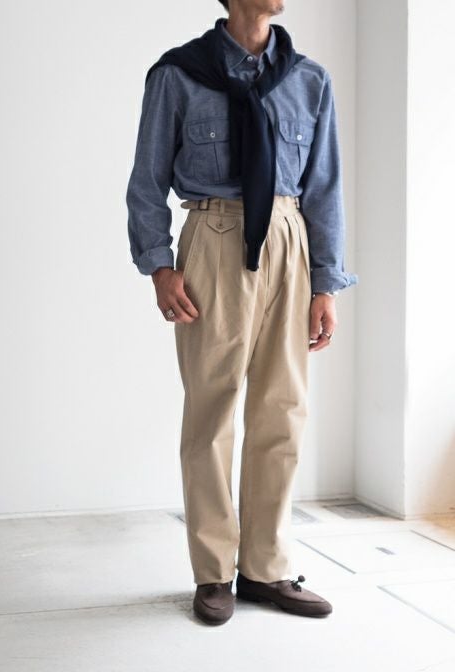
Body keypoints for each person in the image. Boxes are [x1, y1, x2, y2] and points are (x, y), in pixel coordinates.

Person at [126, 0, 358, 626]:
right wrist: (160, 266)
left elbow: (325, 187)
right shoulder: (178, 74)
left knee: (283, 408)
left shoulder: (309, 79)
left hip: (289, 240)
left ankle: (265, 568)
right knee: (212, 408)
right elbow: (146, 180)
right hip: (214, 236)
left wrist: (326, 284)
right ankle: (212, 571)